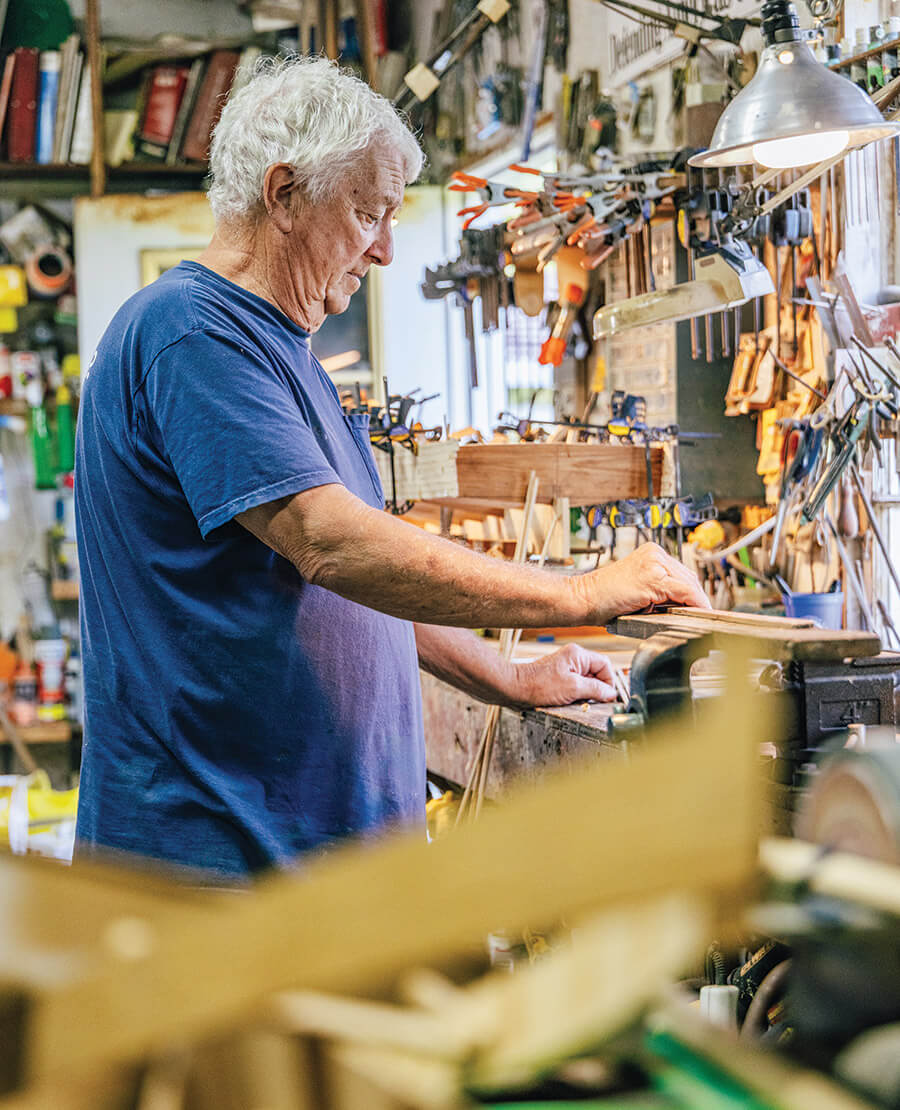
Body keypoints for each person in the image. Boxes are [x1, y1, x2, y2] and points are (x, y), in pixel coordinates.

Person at [74, 56, 709, 882]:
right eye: (368, 213)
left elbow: (358, 587)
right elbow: (329, 543)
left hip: (301, 867)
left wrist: (507, 676)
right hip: (220, 873)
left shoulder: (281, 353)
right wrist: (580, 593)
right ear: (283, 194)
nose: (384, 249)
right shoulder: (193, 335)